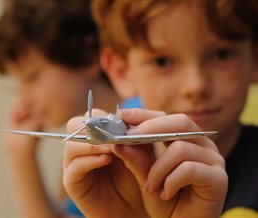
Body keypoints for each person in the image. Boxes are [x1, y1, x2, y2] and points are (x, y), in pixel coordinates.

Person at [63, 0, 258, 217]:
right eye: (163, 61)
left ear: (254, 59)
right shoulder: (104, 176)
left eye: (222, 54)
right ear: (121, 71)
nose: (195, 85)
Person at [0, 0, 125, 217]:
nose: (24, 100)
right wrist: (20, 156)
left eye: (32, 78)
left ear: (86, 57)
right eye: (18, 85)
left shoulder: (125, 131)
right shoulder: (86, 138)